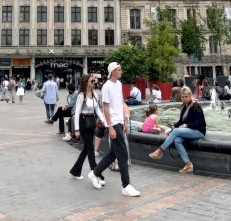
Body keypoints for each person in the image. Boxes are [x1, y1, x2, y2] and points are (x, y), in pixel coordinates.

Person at [87, 62, 140, 197]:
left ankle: (94, 173)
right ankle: (126, 185)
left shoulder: (119, 84)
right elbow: (105, 108)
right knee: (123, 155)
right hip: (113, 123)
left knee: (113, 154)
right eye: (119, 69)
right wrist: (110, 127)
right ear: (113, 72)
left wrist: (125, 121)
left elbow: (121, 103)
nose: (121, 71)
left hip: (119, 122)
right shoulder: (107, 87)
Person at [148, 86, 205, 173]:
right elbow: (181, 121)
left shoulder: (196, 106)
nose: (184, 98)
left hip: (198, 131)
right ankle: (188, 164)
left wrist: (186, 125)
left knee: (176, 132)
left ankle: (160, 151)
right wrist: (172, 128)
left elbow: (199, 122)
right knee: (177, 140)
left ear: (190, 96)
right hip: (190, 131)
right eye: (183, 97)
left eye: (186, 96)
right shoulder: (184, 106)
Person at [70, 74, 107, 181]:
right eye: (92, 81)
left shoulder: (95, 94)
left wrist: (104, 122)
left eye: (94, 81)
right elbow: (77, 112)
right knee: (90, 148)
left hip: (91, 121)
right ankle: (96, 172)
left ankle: (75, 171)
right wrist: (76, 129)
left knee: (86, 149)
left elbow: (98, 110)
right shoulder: (81, 95)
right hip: (83, 122)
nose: (94, 82)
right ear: (86, 83)